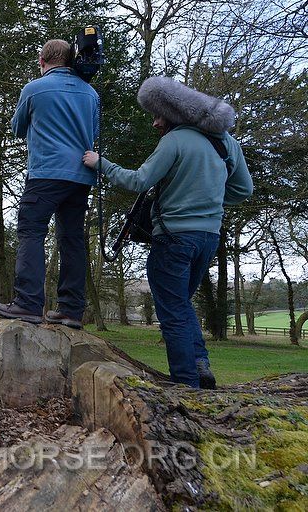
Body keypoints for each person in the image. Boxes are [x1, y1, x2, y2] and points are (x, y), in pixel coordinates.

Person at [82, 76, 253, 389]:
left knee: (172, 313)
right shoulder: (225, 142)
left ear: (176, 115)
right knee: (182, 305)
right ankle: (201, 366)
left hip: (173, 238)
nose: (155, 122)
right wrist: (209, 200)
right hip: (209, 238)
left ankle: (186, 385)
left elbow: (137, 181)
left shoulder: (174, 142)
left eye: (159, 115)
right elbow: (244, 188)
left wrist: (99, 162)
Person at [0, 39, 99, 328]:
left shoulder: (34, 89)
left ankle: (27, 302)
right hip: (81, 175)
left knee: (31, 231)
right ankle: (71, 310)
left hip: (46, 173)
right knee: (72, 239)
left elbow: (17, 128)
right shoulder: (91, 93)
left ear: (42, 60)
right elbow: (93, 131)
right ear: (71, 60)